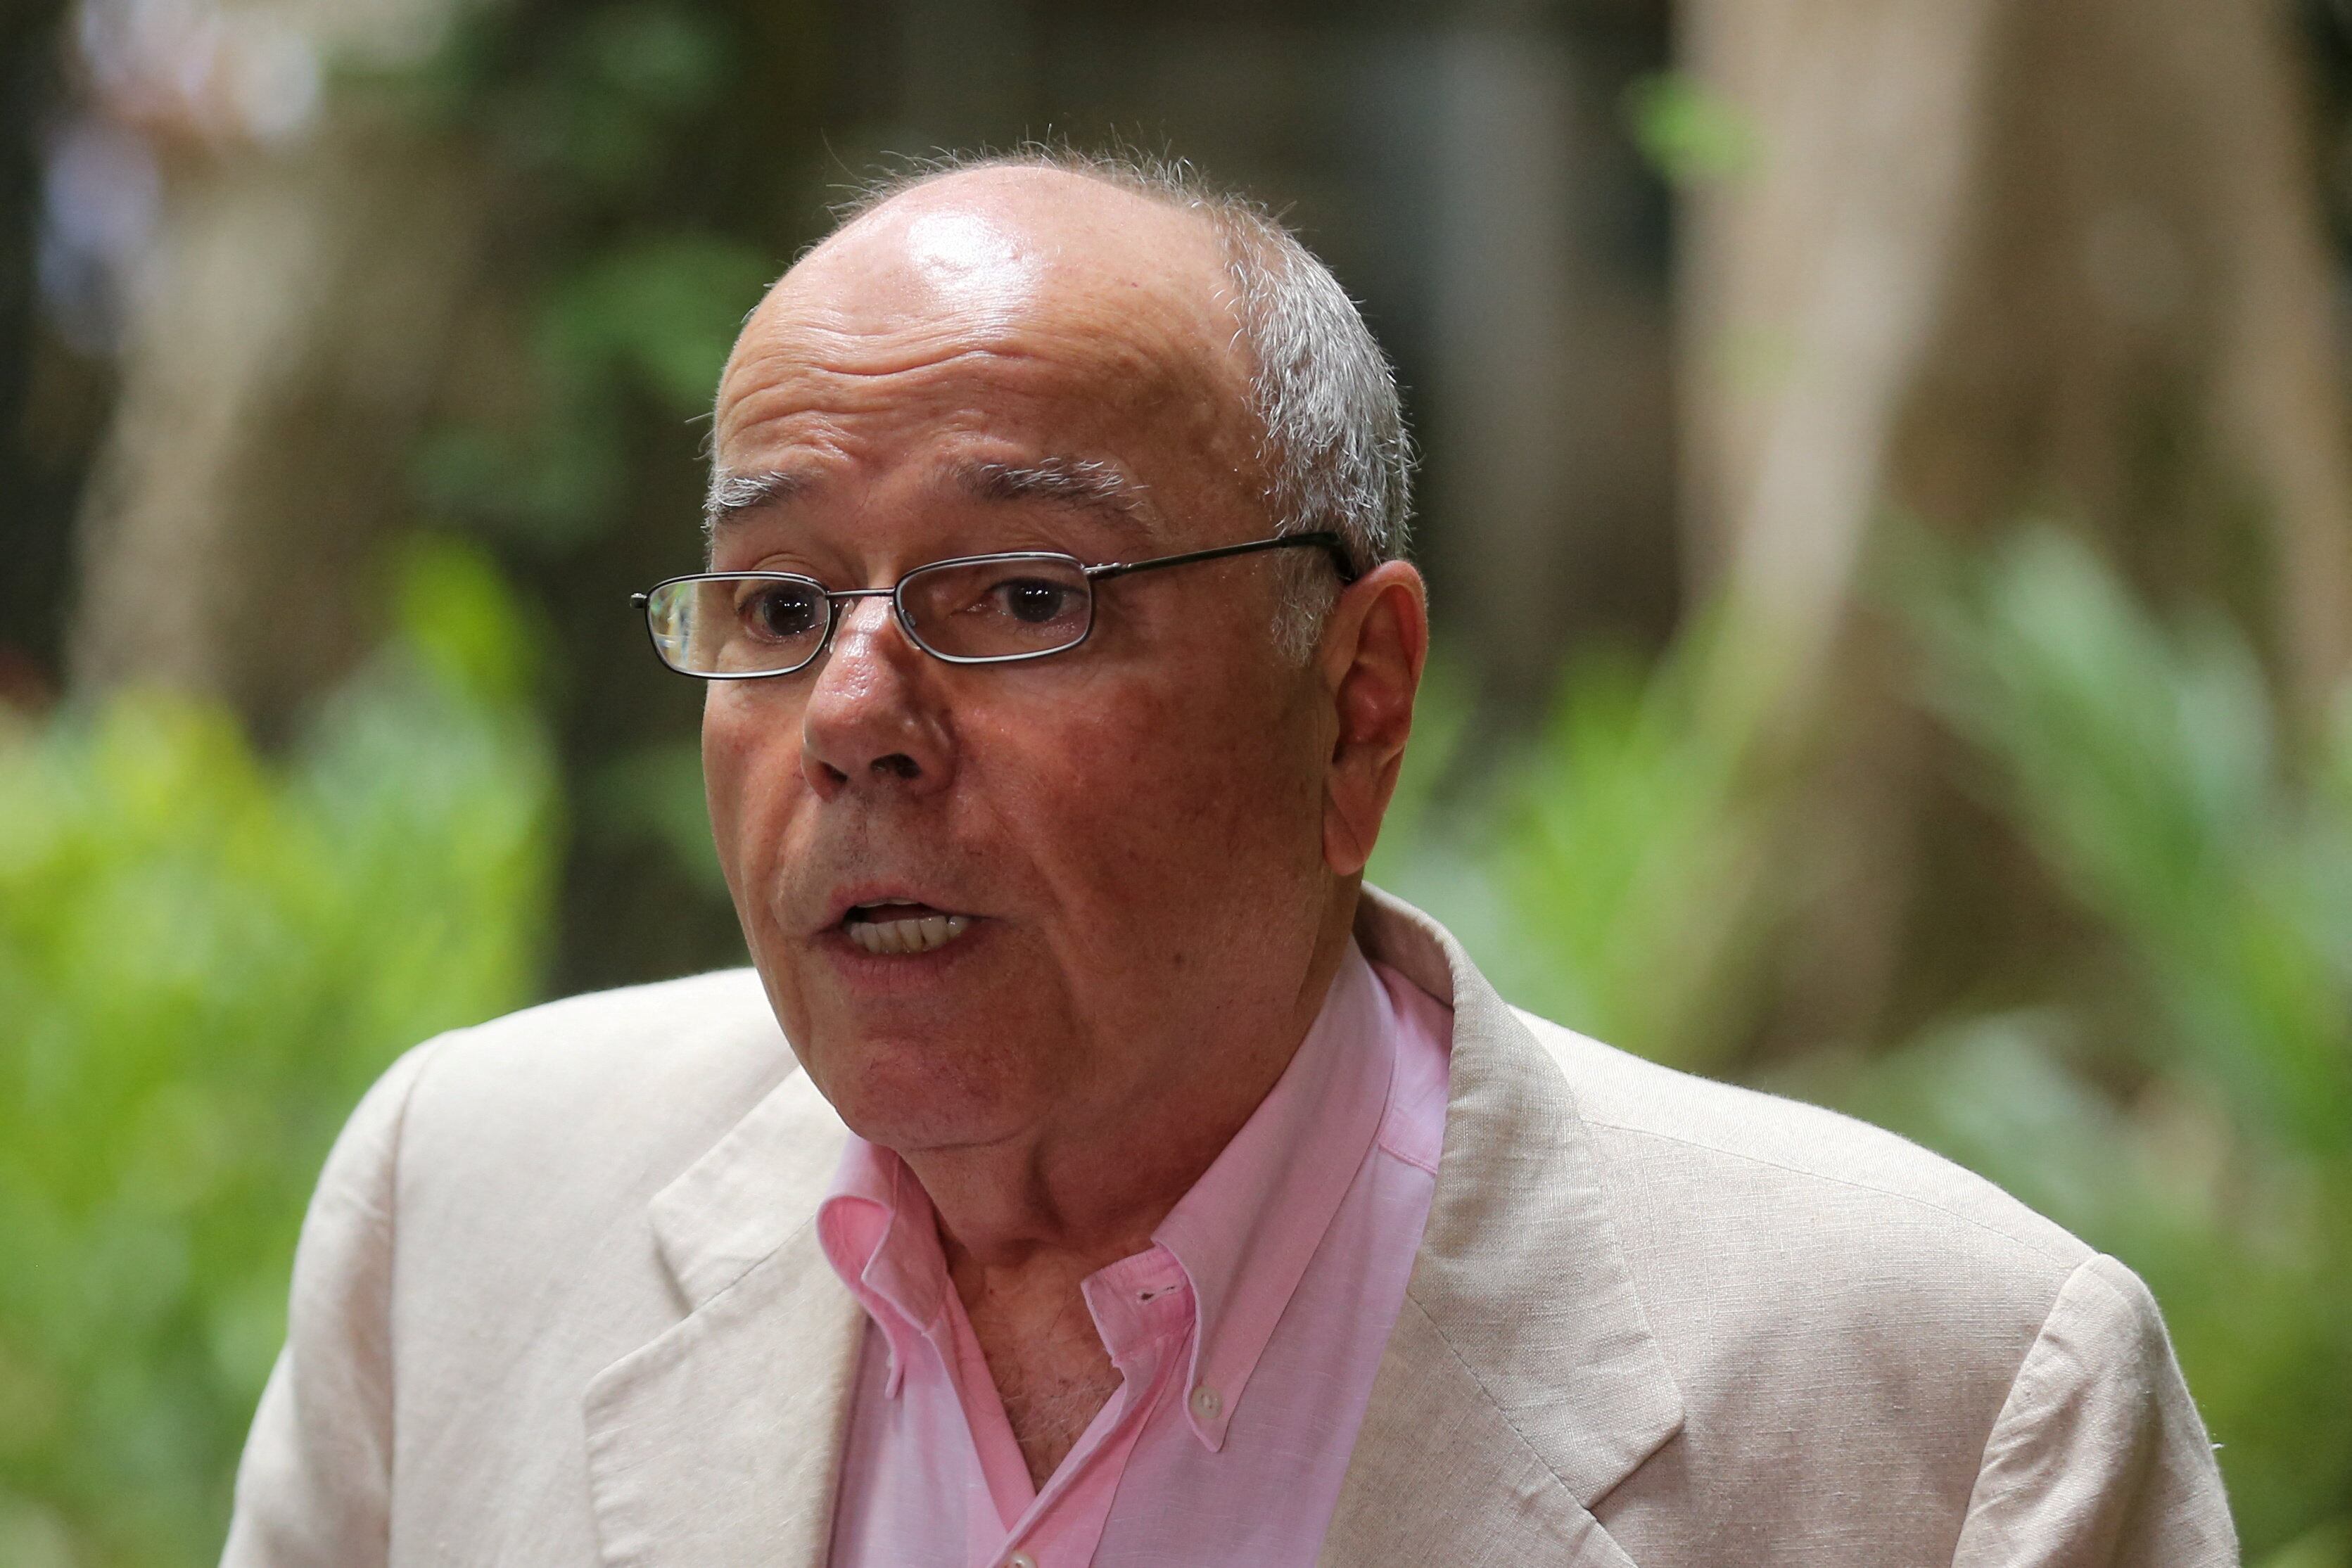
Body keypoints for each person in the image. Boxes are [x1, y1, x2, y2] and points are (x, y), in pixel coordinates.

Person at [221, 152, 2237, 1568]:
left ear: (1355, 704)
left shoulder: (1941, 1409)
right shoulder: (470, 1208)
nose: (854, 712)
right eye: (772, 606)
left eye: (1019, 596)